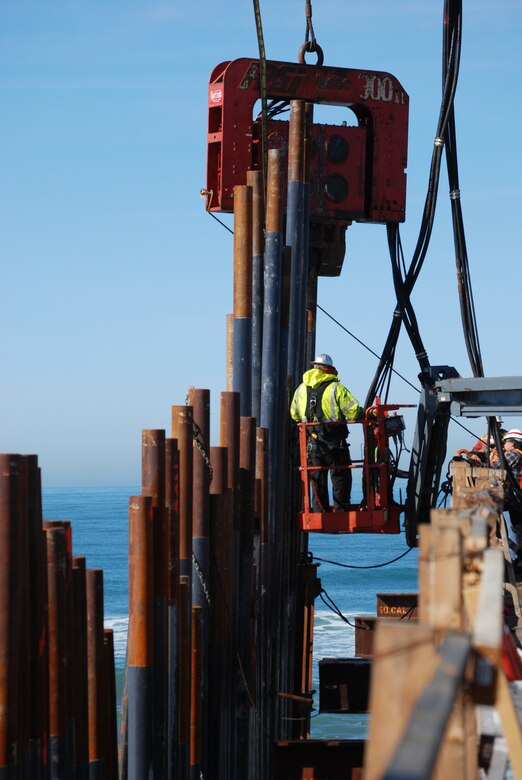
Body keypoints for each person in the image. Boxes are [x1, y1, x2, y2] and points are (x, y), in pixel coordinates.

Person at [290, 353, 363, 512]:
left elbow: (294, 414)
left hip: (313, 444)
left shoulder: (301, 389)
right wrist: (366, 414)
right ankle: (341, 509)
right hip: (336, 444)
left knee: (317, 478)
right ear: (328, 369)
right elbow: (354, 412)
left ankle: (319, 511)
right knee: (340, 476)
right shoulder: (336, 388)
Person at [492, 429, 522, 559]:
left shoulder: (514, 454)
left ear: (513, 443)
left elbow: (496, 466)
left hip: (514, 498)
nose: (503, 444)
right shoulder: (518, 454)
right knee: (517, 527)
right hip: (516, 497)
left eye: (505, 442)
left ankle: (518, 559)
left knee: (516, 528)